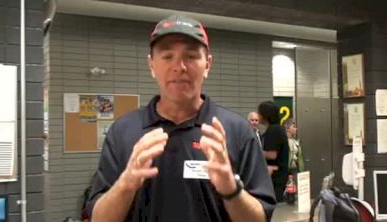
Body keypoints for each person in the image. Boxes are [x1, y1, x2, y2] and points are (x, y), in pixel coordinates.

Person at [85, 15, 276, 221]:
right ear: (151, 65)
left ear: (208, 65)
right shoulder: (123, 131)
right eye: (167, 56)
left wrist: (231, 188)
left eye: (191, 56)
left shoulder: (236, 131)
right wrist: (126, 183)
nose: (179, 66)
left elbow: (260, 218)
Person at [257, 101, 289, 202]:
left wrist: (255, 152)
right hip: (278, 176)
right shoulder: (278, 128)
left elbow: (272, 154)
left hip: (275, 178)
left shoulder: (273, 130)